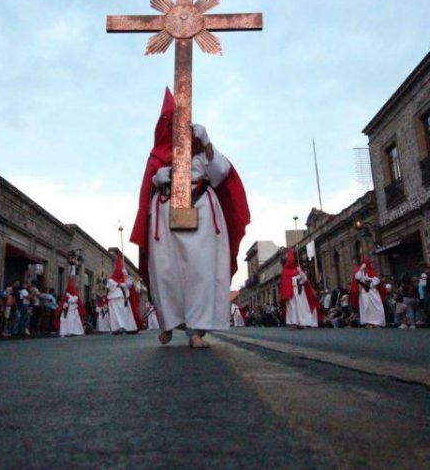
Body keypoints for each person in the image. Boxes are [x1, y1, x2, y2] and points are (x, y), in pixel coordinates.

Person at [129, 88, 250, 349]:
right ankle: (168, 324)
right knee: (167, 272)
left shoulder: (202, 154)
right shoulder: (156, 159)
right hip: (165, 216)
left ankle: (195, 330)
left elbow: (221, 173)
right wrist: (157, 180)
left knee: (200, 271)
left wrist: (207, 142)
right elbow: (146, 193)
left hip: (202, 215)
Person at [280, 250, 319, 329]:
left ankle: (302, 323)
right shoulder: (286, 271)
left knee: (301, 306)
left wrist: (301, 276)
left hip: (299, 290)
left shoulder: (297, 269)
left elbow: (304, 279)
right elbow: (284, 283)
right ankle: (294, 323)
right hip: (291, 292)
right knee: (292, 307)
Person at [105, 253, 140, 334]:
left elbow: (129, 284)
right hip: (113, 298)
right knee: (114, 315)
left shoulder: (125, 277)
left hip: (123, 298)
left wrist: (126, 276)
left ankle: (126, 327)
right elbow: (110, 285)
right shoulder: (111, 279)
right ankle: (116, 328)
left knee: (124, 313)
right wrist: (121, 284)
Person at [349, 256, 387, 328]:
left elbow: (377, 280)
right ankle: (368, 322)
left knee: (376, 307)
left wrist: (369, 283)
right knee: (366, 307)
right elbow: (357, 277)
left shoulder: (371, 272)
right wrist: (361, 270)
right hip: (364, 293)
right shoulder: (359, 271)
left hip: (372, 292)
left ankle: (377, 322)